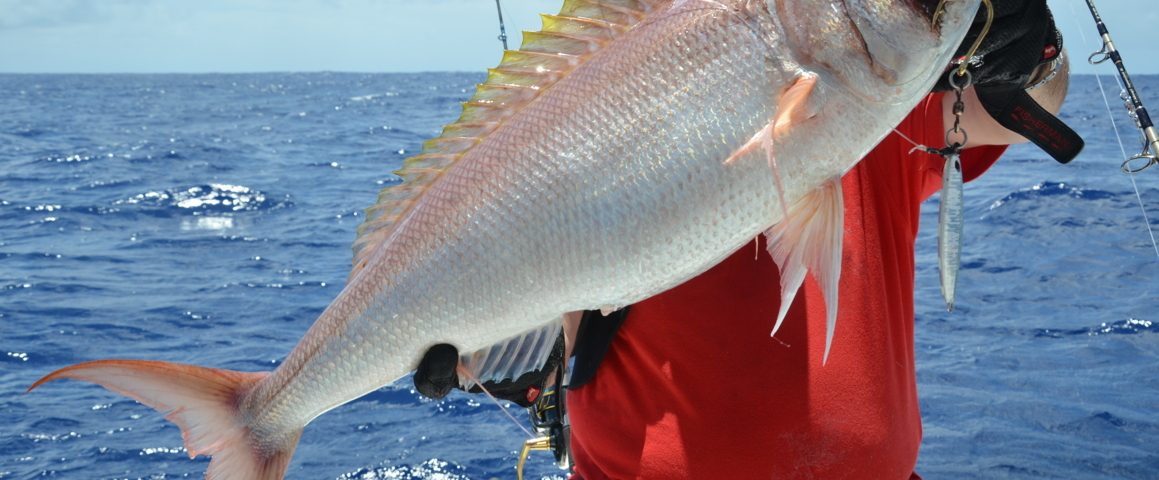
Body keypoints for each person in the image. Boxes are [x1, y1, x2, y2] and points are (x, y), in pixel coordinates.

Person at [414, 1, 1079, 478]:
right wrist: (505, 346)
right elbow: (541, 237)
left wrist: (1034, 46)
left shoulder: (872, 90)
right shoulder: (613, 84)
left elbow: (1032, 111)